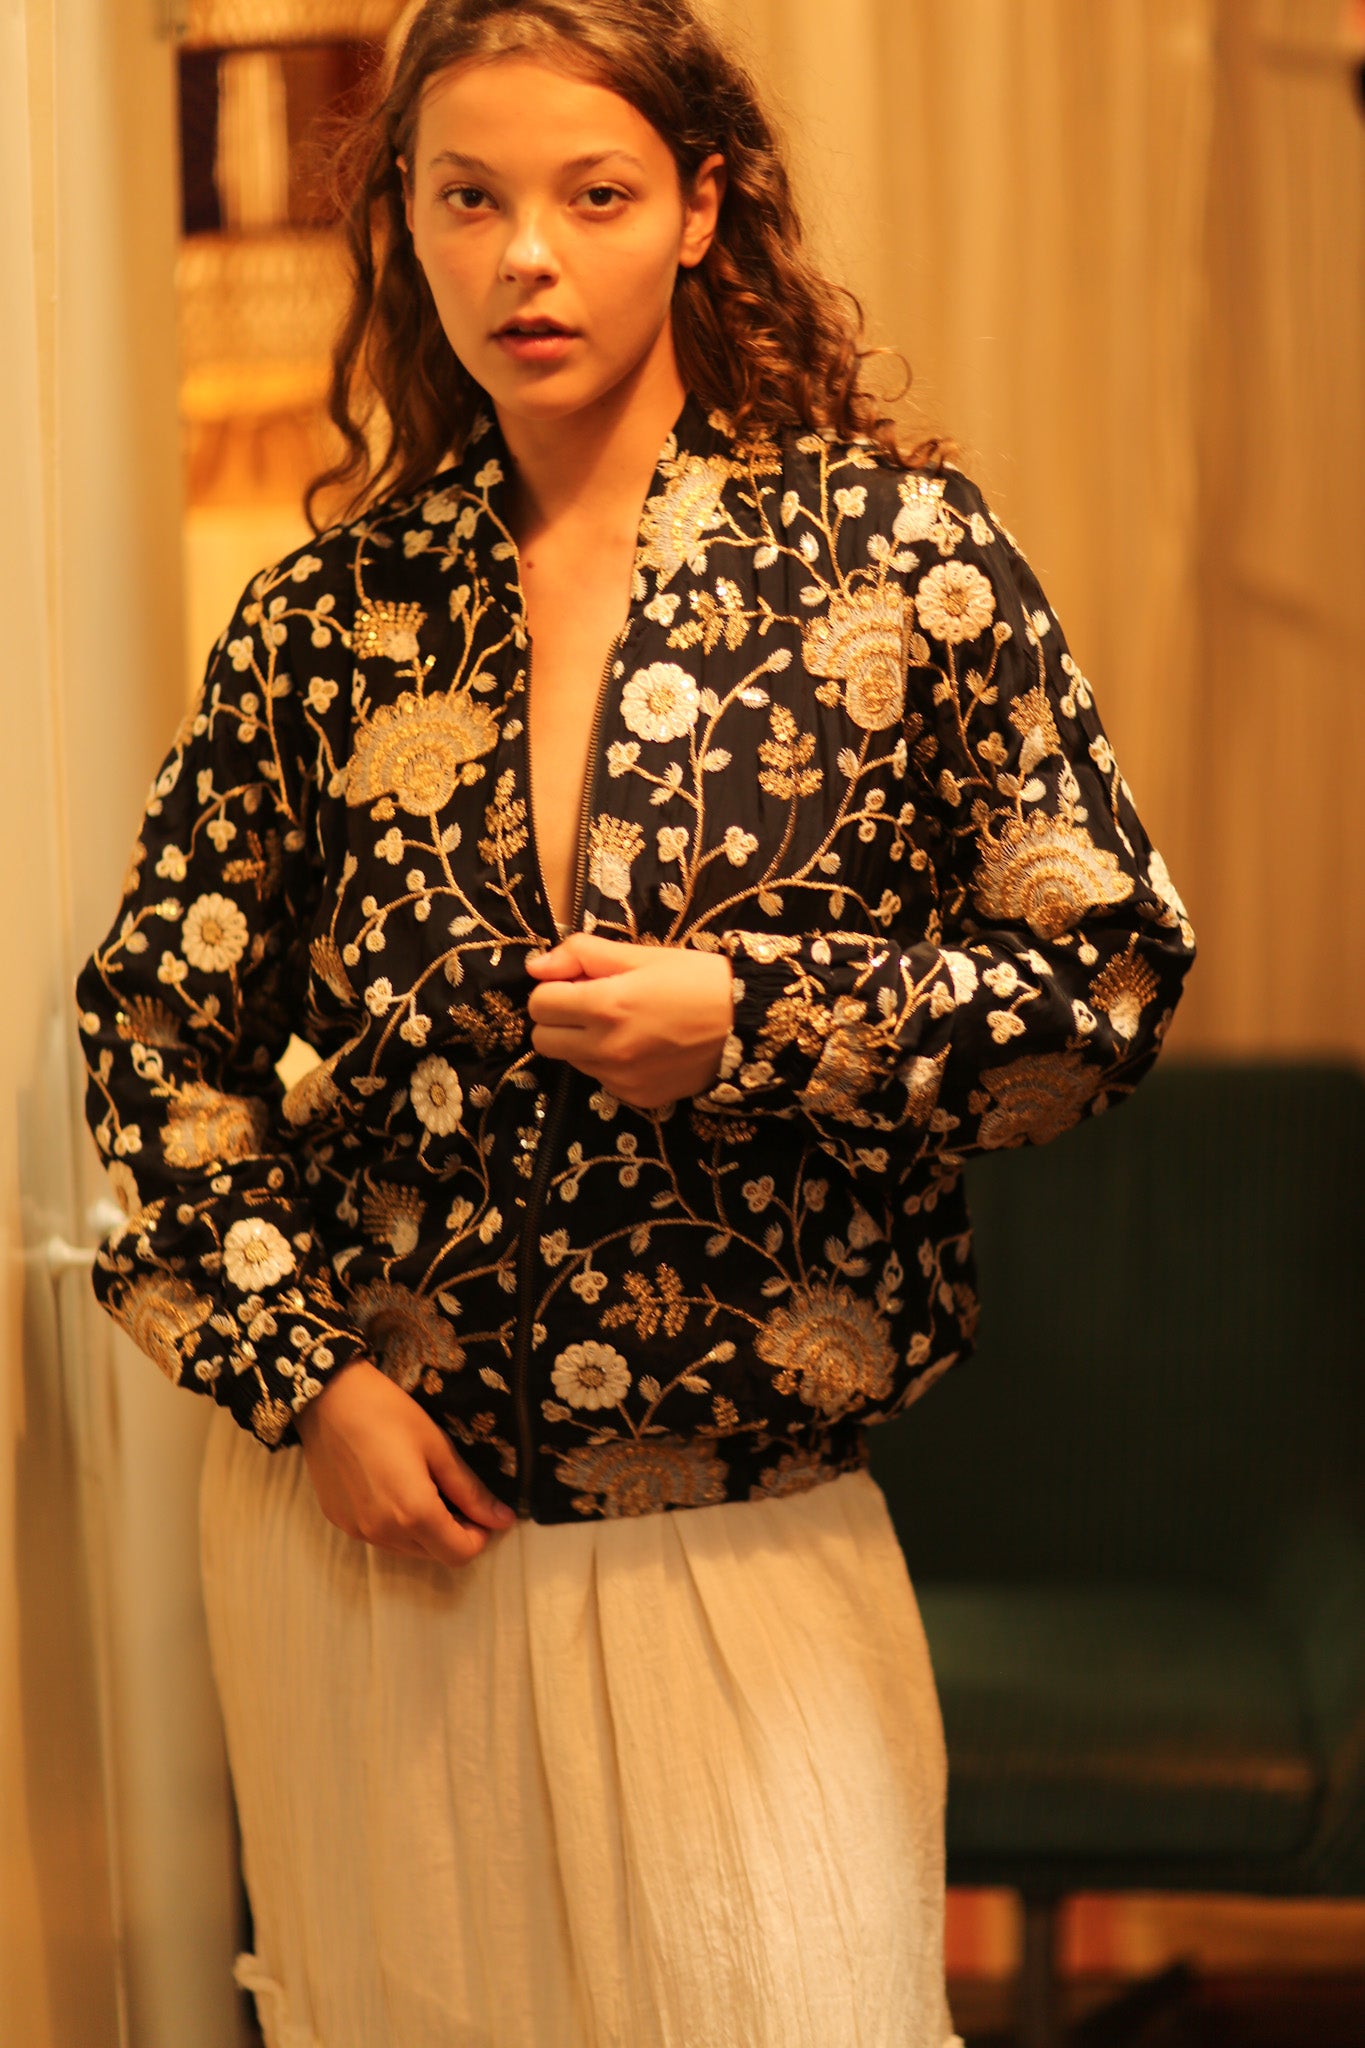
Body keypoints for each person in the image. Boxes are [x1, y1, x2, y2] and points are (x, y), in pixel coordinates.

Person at [73, 2, 1196, 2043]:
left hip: (740, 1545)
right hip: (377, 1544)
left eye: (591, 196)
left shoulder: (899, 568)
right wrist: (302, 1381)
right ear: (402, 226)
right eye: (465, 199)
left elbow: (1102, 984)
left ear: (698, 207)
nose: (525, 256)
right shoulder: (323, 628)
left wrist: (755, 1020)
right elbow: (154, 1043)